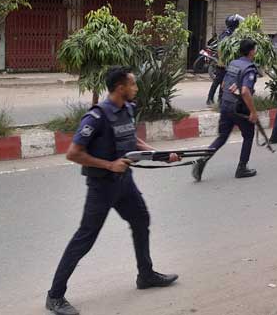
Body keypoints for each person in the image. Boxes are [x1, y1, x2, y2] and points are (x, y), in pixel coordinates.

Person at [46, 67, 179, 315]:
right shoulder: (96, 117)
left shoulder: (128, 109)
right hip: (102, 186)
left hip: (124, 183)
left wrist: (161, 156)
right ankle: (54, 296)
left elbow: (132, 141)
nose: (136, 88)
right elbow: (73, 153)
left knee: (141, 220)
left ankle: (146, 275)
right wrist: (109, 164)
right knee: (84, 239)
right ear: (120, 88)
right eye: (133, 85)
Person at [193, 38, 260, 181]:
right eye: (255, 49)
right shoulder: (250, 68)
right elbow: (245, 91)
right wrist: (253, 112)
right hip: (239, 108)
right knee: (248, 135)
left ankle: (203, 159)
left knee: (222, 137)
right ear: (251, 51)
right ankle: (242, 168)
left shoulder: (233, 64)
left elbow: (224, 85)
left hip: (225, 104)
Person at [207, 14, 244, 106]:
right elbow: (221, 48)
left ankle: (220, 100)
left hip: (228, 63)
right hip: (223, 63)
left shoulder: (232, 33)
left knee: (224, 82)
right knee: (218, 81)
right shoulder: (227, 34)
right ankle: (210, 99)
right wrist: (223, 60)